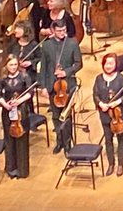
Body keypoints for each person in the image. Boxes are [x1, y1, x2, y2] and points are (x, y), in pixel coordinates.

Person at [37, 19, 82, 152]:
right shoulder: (46, 46)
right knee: (56, 116)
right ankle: (59, 141)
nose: (62, 33)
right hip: (52, 86)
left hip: (67, 85)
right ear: (53, 31)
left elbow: (78, 64)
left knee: (66, 116)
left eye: (64, 30)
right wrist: (43, 86)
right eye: (59, 31)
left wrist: (65, 72)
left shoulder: (73, 43)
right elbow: (43, 67)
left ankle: (68, 142)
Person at [93, 52, 123, 176]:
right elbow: (95, 94)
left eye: (111, 63)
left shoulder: (120, 78)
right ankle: (111, 163)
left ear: (116, 65)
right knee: (108, 139)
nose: (108, 66)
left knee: (121, 138)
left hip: (118, 114)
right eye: (106, 63)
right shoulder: (99, 78)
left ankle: (120, 164)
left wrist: (116, 102)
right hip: (105, 114)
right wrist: (100, 104)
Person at [0, 55, 33, 178]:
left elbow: (30, 92)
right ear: (6, 66)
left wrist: (19, 101)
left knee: (21, 139)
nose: (13, 67)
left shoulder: (24, 77)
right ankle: (11, 169)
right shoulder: (2, 79)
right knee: (9, 139)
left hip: (21, 111)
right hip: (7, 112)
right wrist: (5, 105)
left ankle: (22, 170)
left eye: (14, 64)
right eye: (10, 65)